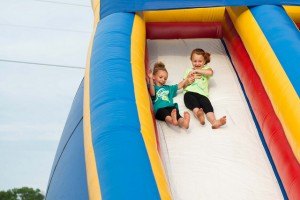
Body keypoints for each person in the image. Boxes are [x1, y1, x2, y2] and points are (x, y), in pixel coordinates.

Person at [183, 48, 226, 129]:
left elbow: (210, 72)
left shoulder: (206, 69)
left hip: (203, 95)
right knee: (194, 104)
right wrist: (188, 80)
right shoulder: (188, 70)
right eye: (194, 61)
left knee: (208, 106)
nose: (197, 63)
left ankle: (214, 122)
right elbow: (183, 85)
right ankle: (199, 115)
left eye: (200, 61)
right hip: (189, 93)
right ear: (191, 61)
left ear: (204, 61)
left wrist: (198, 71)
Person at [148, 61, 191, 129]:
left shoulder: (168, 88)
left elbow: (179, 86)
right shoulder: (153, 87)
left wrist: (186, 79)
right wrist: (150, 79)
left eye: (165, 78)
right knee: (165, 114)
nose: (163, 80)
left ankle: (184, 123)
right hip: (159, 109)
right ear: (154, 77)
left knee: (177, 115)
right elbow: (152, 93)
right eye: (161, 77)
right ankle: (172, 120)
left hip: (170, 107)